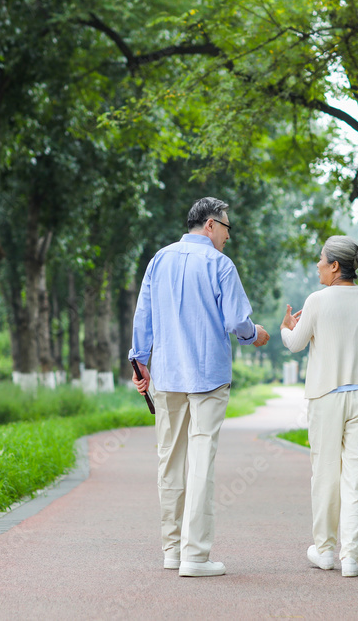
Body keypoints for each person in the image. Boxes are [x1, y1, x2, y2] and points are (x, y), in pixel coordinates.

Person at [129, 197, 270, 577]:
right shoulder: (220, 264)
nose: (228, 235)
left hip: (168, 374)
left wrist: (139, 361)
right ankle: (196, 556)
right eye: (226, 226)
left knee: (170, 461)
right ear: (210, 224)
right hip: (207, 375)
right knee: (201, 460)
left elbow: (144, 316)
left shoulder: (159, 260)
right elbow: (237, 321)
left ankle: (172, 551)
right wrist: (254, 334)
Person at [279, 235, 358, 577]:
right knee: (356, 475)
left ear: (335, 266)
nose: (317, 265)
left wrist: (287, 328)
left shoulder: (317, 300)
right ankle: (351, 558)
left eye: (321, 260)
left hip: (326, 396)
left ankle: (325, 551)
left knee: (325, 473)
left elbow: (296, 344)